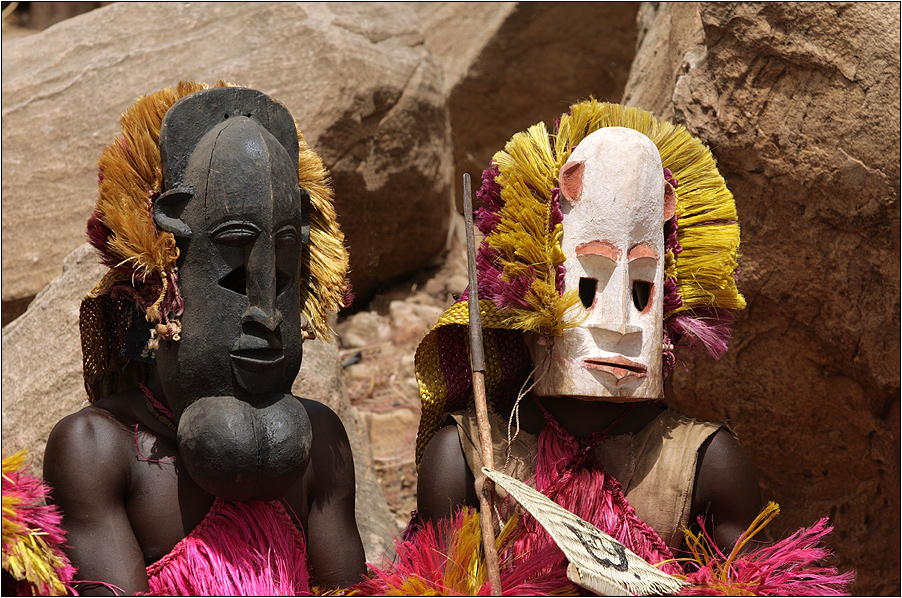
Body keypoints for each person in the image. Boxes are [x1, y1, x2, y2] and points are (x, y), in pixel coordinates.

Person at [394, 102, 850, 595]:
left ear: (671, 303)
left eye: (641, 292)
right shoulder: (466, 458)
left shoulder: (705, 464)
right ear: (529, 296)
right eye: (587, 289)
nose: (620, 326)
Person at [43, 81, 365, 596]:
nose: (267, 316)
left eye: (283, 279)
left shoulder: (318, 437)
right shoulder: (97, 449)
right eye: (233, 276)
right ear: (157, 290)